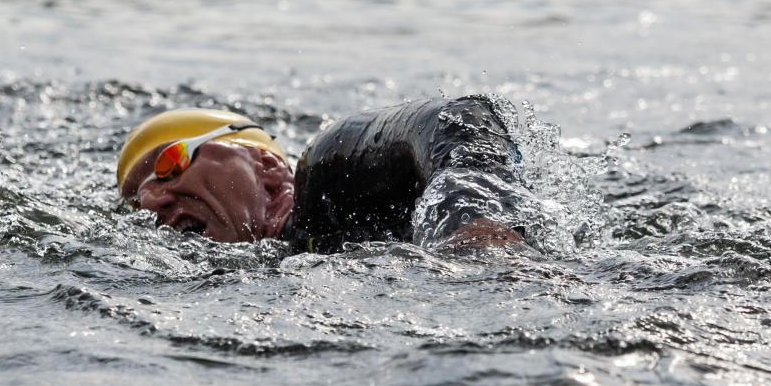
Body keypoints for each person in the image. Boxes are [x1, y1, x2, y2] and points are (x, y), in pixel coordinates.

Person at [115, 96, 525, 254]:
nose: (152, 201)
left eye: (169, 164)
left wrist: (475, 226)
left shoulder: (329, 177)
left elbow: (459, 117)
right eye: (137, 200)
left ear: (269, 170)